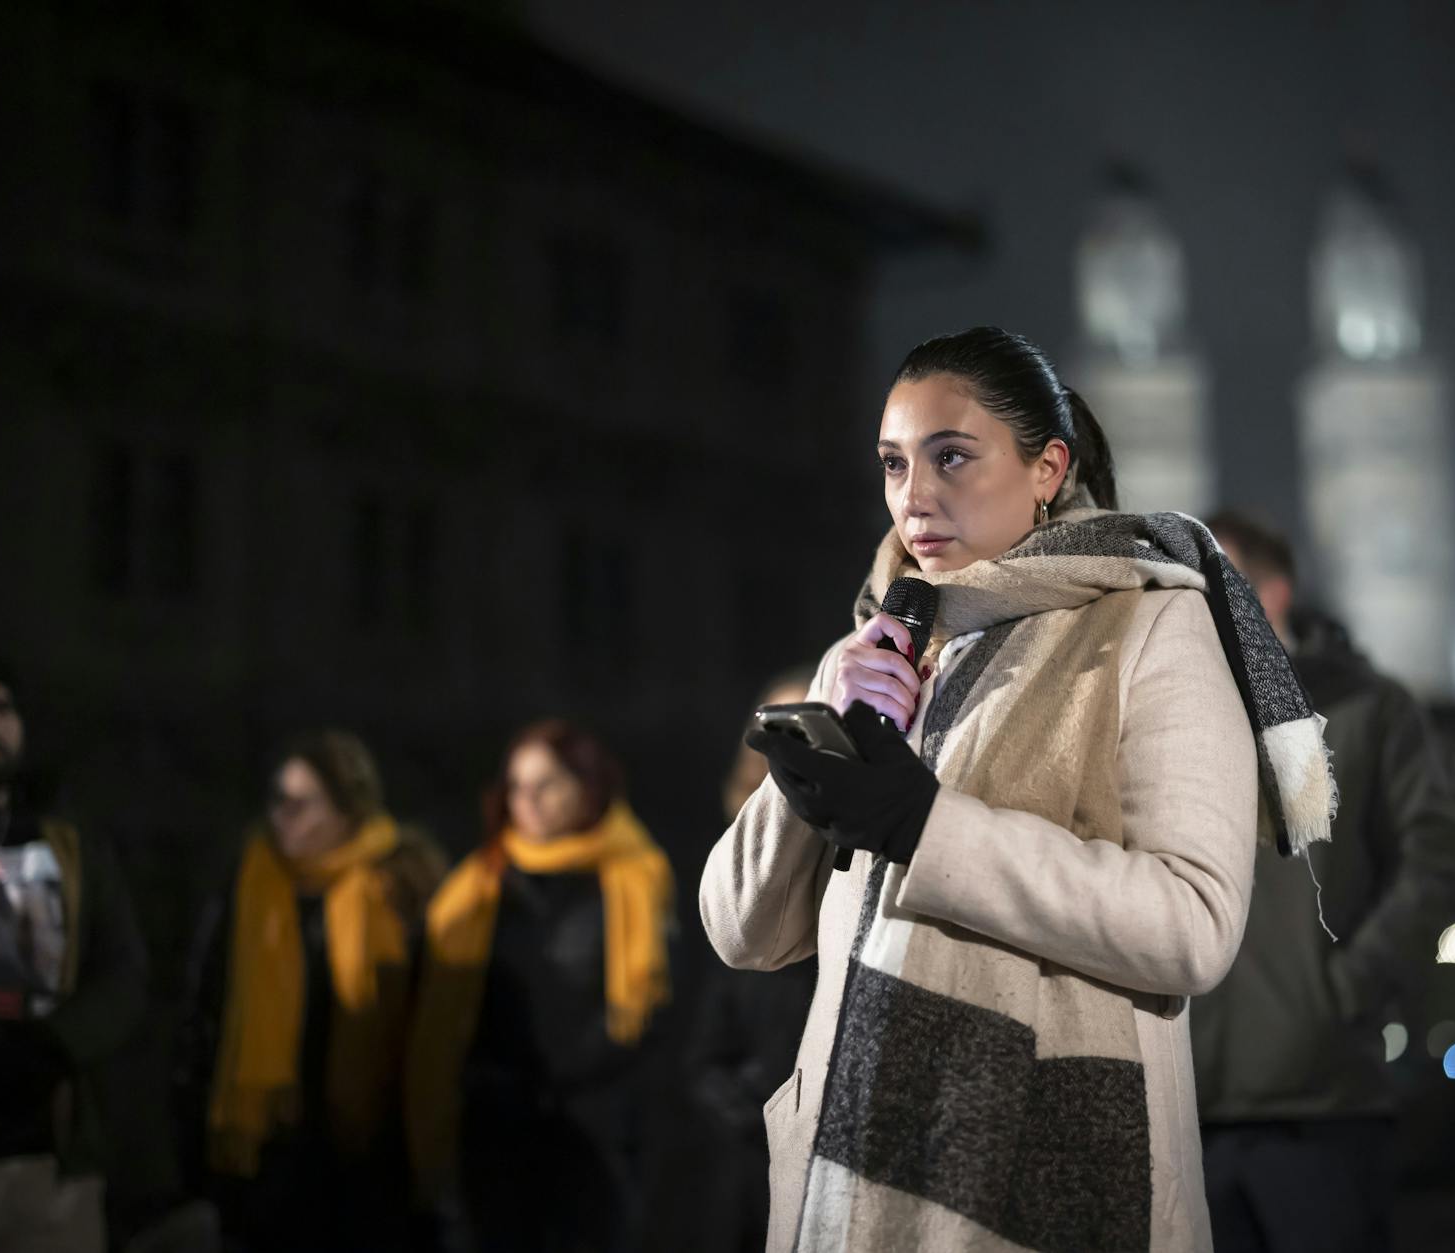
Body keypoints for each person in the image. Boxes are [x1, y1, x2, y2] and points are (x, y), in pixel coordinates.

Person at [701, 326, 1335, 1252]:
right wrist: (823, 727)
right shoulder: (880, 644)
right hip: (857, 1175)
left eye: (951, 457)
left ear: (1048, 468)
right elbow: (741, 930)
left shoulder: (1150, 626)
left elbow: (1193, 925)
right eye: (893, 463)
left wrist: (929, 829)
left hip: (1042, 1172)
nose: (914, 497)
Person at [1188, 511, 1455, 1253]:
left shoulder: (1369, 708)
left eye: (1215, 584)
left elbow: (1438, 863)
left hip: (1324, 1103)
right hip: (1187, 1106)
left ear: (1274, 593)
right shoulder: (1167, 716)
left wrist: (1345, 991)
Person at [0, 654, 146, 1252]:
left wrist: (54, 1045)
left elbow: (121, 968)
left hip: (55, 1156)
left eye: (2, 708)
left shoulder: (69, 841)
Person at [407, 720, 674, 1253]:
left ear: (588, 787)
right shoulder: (479, 884)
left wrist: (571, 1082)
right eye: (516, 786)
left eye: (545, 784)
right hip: (495, 1130)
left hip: (595, 1133)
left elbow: (653, 1012)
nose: (527, 800)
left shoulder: (634, 876)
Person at [180, 730, 444, 1253]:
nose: (282, 816)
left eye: (301, 804)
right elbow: (206, 1002)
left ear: (347, 812)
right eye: (278, 800)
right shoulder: (252, 883)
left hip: (367, 1147)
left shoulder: (400, 886)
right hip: (269, 1145)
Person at [688, 669, 819, 1253]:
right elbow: (706, 1024)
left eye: (805, 722)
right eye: (775, 725)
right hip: (743, 1141)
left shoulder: (858, 845)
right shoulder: (727, 859)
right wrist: (734, 1095)